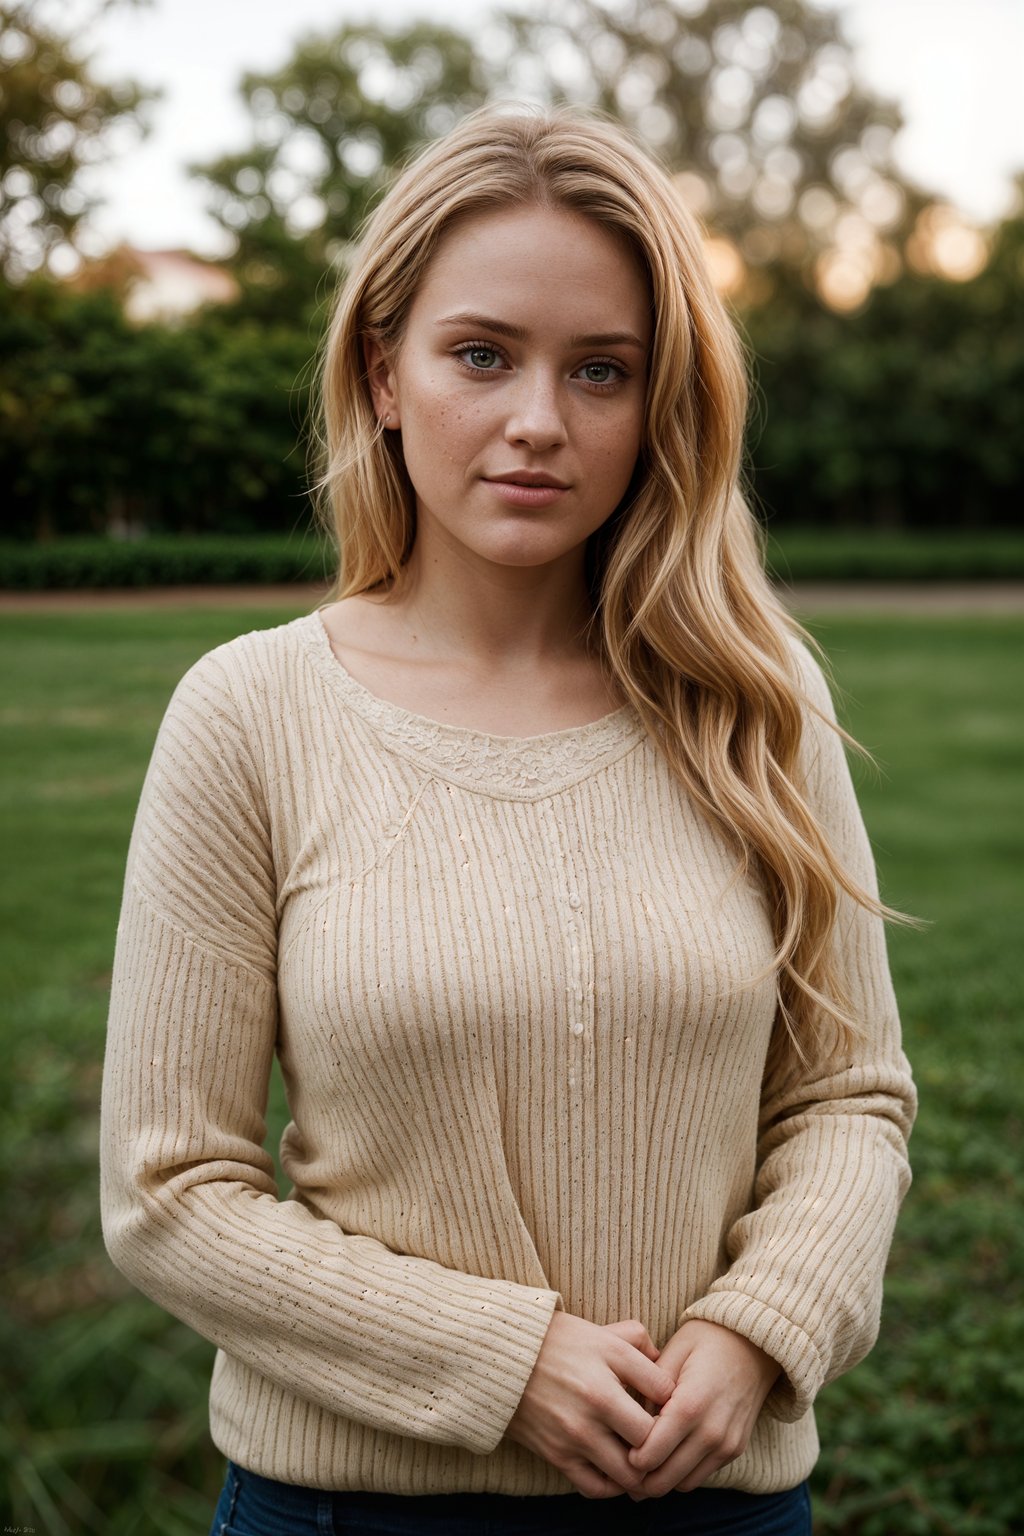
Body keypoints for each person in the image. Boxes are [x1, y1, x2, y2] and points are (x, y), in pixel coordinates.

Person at [99, 105, 916, 1536]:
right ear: (386, 370)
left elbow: (848, 1099)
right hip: (349, 1511)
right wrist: (501, 1360)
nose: (541, 420)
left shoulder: (752, 698)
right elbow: (171, 1186)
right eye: (483, 355)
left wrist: (761, 1327)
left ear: (659, 402)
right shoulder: (250, 714)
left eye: (601, 370)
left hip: (714, 1504)